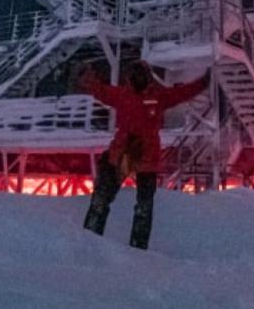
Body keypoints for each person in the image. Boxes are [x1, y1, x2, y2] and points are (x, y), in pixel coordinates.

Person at [75, 59, 210, 249]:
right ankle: (91, 240)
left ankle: (132, 247)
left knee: (140, 207)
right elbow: (100, 90)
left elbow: (181, 93)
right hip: (126, 155)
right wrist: (86, 77)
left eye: (141, 74)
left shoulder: (151, 96)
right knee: (107, 200)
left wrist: (202, 83)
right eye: (135, 74)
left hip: (139, 157)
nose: (138, 77)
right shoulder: (127, 95)